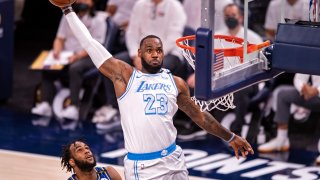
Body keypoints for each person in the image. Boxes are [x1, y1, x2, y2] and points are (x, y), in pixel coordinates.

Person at [53, 4, 254, 179]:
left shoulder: (175, 82)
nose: (155, 54)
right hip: (143, 166)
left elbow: (200, 116)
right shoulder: (126, 76)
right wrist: (68, 10)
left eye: (158, 50)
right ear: (140, 53)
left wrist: (230, 137)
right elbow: (91, 44)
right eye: (149, 50)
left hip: (174, 159)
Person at [31, 0, 107, 120]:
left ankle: (74, 106)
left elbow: (97, 45)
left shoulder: (99, 20)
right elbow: (59, 38)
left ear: (92, 2)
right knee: (47, 66)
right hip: (66, 55)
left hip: (88, 56)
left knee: (75, 68)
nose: (82, 1)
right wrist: (57, 51)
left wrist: (77, 56)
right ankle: (45, 103)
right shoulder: (67, 14)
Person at [258, 73, 320, 155]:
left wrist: (317, 90)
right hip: (311, 94)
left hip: (316, 92)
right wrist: (303, 88)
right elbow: (299, 77)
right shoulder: (312, 59)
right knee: (283, 94)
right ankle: (282, 140)